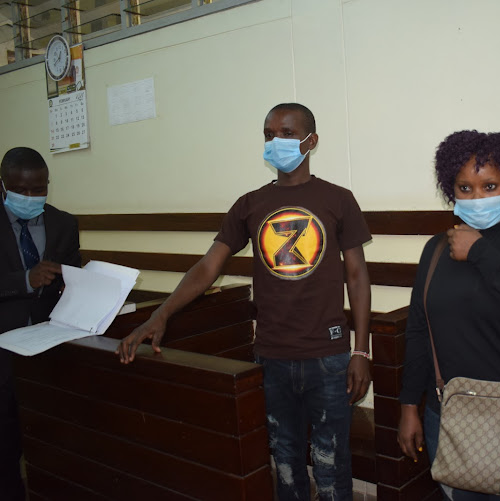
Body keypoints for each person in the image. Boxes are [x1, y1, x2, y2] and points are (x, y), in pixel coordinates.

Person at [117, 103, 372, 501]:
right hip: (271, 357)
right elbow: (208, 266)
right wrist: (161, 314)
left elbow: (357, 275)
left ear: (311, 141)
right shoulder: (249, 204)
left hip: (329, 356)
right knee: (285, 467)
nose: (276, 142)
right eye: (269, 134)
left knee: (332, 467)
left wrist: (362, 351)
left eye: (286, 133)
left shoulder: (338, 199)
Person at [397, 131, 500, 500]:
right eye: (465, 188)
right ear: (450, 190)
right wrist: (409, 405)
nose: (477, 197)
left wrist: (480, 252)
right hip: (453, 414)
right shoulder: (436, 250)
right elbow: (418, 330)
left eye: (489, 185)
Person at [0, 147, 81, 501]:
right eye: (22, 189)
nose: (31, 197)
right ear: (3, 185)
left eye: (39, 189)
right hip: (3, 352)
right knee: (5, 448)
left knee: (53, 442)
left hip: (50, 348)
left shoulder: (64, 223)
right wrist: (24, 280)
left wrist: (81, 283)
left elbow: (72, 275)